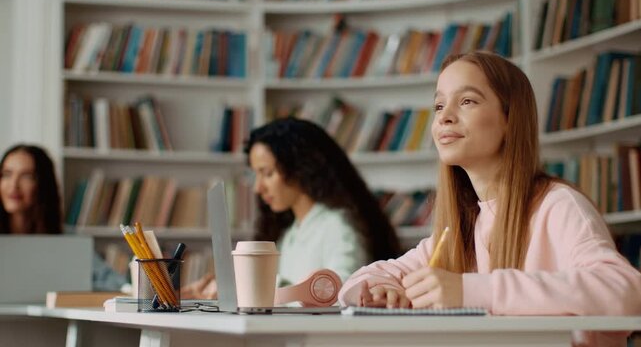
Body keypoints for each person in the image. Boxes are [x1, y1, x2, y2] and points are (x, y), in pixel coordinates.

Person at [338, 52, 641, 346]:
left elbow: (626, 291)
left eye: (467, 101)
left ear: (510, 119)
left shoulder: (559, 205)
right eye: (439, 105)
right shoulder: (463, 227)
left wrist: (470, 291)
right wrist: (385, 289)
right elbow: (358, 282)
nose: (445, 117)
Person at [182, 117, 401, 299]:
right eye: (255, 175)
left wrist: (249, 288)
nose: (258, 188)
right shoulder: (291, 232)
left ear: (300, 168)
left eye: (267, 173)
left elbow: (340, 295)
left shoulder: (338, 227)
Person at [0, 144, 128, 291]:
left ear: (42, 184)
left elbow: (116, 283)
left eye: (27, 176)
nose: (13, 185)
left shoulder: (67, 240)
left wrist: (75, 287)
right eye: (7, 174)